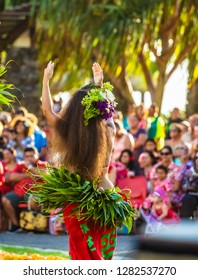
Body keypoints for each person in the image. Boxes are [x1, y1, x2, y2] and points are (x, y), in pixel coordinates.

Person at [30, 61, 135, 260]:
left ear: (74, 110)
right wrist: (99, 85)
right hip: (106, 194)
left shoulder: (67, 132)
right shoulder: (110, 129)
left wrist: (46, 80)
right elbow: (108, 111)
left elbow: (46, 111)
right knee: (101, 254)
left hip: (78, 198)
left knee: (82, 255)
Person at [1, 147, 47, 231]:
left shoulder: (43, 165)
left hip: (36, 192)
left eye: (31, 156)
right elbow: (12, 177)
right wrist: (32, 175)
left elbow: (44, 175)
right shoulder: (20, 165)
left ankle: (36, 226)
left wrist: (29, 167)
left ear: (37, 155)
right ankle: (16, 225)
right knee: (5, 199)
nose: (29, 158)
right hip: (20, 192)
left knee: (34, 200)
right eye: (27, 156)